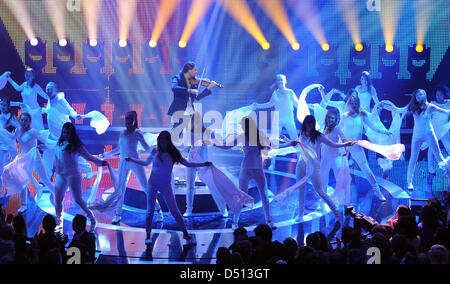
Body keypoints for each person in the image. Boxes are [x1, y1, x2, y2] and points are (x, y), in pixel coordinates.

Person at [126, 131, 211, 245]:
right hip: (152, 184)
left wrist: (203, 164)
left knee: (175, 210)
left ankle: (185, 233)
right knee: (150, 211)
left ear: (168, 140)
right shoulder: (155, 151)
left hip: (166, 185)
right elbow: (146, 163)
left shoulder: (173, 153)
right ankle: (148, 235)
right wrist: (132, 159)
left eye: (165, 139)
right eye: (161, 139)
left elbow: (188, 164)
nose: (163, 141)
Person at [275, 115, 355, 227]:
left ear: (313, 124)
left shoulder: (319, 136)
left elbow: (333, 144)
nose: (310, 125)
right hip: (301, 164)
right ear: (305, 124)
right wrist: (285, 139)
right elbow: (298, 146)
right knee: (301, 190)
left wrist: (345, 144)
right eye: (308, 123)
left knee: (320, 191)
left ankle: (336, 212)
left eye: (312, 123)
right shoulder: (302, 133)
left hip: (313, 166)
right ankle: (300, 214)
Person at [39, 122, 107, 233]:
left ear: (72, 133)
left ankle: (92, 218)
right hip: (61, 175)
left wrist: (99, 162)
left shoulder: (77, 146)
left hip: (73, 176)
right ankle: (59, 223)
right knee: (58, 201)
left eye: (68, 132)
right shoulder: (59, 143)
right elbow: (51, 147)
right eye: (64, 132)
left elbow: (88, 156)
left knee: (78, 200)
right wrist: (43, 147)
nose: (66, 134)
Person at [99, 111, 163, 224]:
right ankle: (118, 215)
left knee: (145, 187)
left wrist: (156, 152)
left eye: (130, 119)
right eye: (127, 118)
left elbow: (146, 148)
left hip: (135, 162)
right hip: (123, 163)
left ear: (135, 120)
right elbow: (119, 149)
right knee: (120, 189)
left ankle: (158, 211)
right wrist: (106, 154)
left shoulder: (137, 133)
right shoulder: (122, 133)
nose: (128, 121)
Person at [218, 117, 276, 230]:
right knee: (241, 197)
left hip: (257, 169)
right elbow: (227, 146)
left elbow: (272, 145)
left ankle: (269, 220)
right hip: (246, 170)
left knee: (264, 195)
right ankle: (235, 222)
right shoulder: (243, 136)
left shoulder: (260, 135)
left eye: (243, 125)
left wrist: (280, 141)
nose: (242, 127)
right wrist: (213, 144)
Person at [392, 89, 450, 190]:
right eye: (417, 95)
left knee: (439, 156)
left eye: (420, 94)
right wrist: (386, 105)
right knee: (413, 158)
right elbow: (399, 110)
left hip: (429, 134)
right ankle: (409, 182)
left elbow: (446, 112)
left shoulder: (430, 106)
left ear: (425, 95)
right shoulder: (413, 107)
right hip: (417, 136)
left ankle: (449, 177)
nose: (418, 96)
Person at [339, 93, 390, 200]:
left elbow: (373, 127)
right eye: (351, 103)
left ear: (358, 104)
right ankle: (340, 193)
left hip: (357, 146)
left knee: (366, 169)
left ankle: (377, 191)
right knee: (340, 169)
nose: (353, 105)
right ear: (348, 104)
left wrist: (384, 131)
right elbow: (338, 130)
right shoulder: (344, 116)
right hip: (343, 146)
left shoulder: (362, 114)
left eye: (355, 103)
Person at [41, 82, 92, 181]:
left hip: (64, 134)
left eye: (50, 88)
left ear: (56, 89)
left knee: (72, 154)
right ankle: (46, 177)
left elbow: (70, 110)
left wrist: (75, 115)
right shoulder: (49, 99)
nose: (48, 90)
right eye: (47, 89)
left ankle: (87, 168)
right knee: (48, 154)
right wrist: (43, 110)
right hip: (53, 134)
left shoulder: (60, 100)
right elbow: (53, 112)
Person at [5, 113, 55, 213]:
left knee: (45, 179)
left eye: (26, 120)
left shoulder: (33, 132)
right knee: (23, 182)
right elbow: (10, 139)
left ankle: (58, 197)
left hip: (34, 157)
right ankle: (24, 205)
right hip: (24, 158)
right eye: (22, 120)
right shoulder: (17, 130)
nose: (23, 122)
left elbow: (46, 141)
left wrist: (58, 143)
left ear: (29, 122)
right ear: (19, 120)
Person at [253, 74, 299, 170]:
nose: (280, 81)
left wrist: (306, 109)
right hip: (277, 120)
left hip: (289, 120)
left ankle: (300, 160)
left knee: (296, 140)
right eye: (278, 80)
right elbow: (269, 104)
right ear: (276, 82)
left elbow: (297, 104)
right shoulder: (275, 93)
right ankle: (272, 164)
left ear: (285, 81)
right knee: (274, 143)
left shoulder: (290, 92)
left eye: (282, 80)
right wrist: (258, 105)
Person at [168, 62, 217, 129]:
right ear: (189, 70)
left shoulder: (193, 81)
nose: (196, 72)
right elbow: (174, 88)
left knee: (199, 127)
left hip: (190, 110)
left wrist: (208, 87)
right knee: (177, 132)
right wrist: (189, 90)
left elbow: (198, 97)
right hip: (179, 109)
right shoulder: (177, 78)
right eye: (195, 70)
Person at [320, 109, 351, 205]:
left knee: (340, 176)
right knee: (323, 178)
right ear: (326, 118)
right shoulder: (325, 128)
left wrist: (346, 148)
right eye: (329, 118)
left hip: (335, 155)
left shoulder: (336, 128)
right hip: (325, 155)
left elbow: (343, 138)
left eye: (332, 118)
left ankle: (345, 200)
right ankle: (323, 198)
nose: (330, 120)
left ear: (335, 119)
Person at [426, 85, 450, 179]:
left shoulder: (448, 103)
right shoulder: (432, 104)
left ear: (445, 95)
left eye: (440, 95)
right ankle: (430, 169)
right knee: (432, 149)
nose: (438, 96)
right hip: (434, 130)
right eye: (437, 95)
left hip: (444, 130)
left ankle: (447, 166)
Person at [0, 97, 19, 193]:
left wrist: (13, 136)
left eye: (4, 105)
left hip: (10, 144)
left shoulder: (11, 117)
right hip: (1, 145)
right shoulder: (1, 116)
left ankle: (22, 185)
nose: (2, 107)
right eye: (1, 104)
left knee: (16, 164)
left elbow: (19, 127)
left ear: (8, 106)